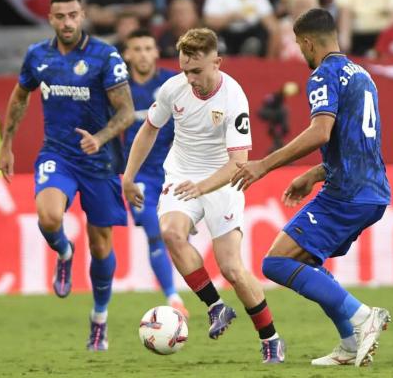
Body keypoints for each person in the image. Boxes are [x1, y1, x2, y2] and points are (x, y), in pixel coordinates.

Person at [231, 9, 391, 367]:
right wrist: (315, 173)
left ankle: (363, 316)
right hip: (371, 189)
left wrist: (263, 165)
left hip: (346, 193)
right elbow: (358, 141)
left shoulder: (324, 74)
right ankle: (350, 344)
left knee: (276, 262)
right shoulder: (363, 75)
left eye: (298, 45)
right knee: (307, 260)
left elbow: (320, 132)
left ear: (306, 42)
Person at [122, 28, 286, 364]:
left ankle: (271, 338)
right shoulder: (173, 89)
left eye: (196, 71)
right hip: (182, 175)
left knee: (232, 269)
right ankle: (216, 307)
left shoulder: (233, 98)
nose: (190, 78)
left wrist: (203, 187)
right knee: (169, 232)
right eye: (184, 70)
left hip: (223, 182)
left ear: (217, 63)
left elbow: (238, 163)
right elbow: (149, 129)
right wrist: (128, 175)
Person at [0, 0, 135, 351]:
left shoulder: (105, 56)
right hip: (57, 154)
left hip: (100, 162)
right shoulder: (37, 56)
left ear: (83, 14)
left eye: (73, 15)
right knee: (48, 216)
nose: (68, 22)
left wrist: (101, 138)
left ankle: (99, 319)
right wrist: (6, 143)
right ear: (50, 18)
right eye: (60, 16)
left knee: (101, 244)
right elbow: (20, 95)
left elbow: (125, 111)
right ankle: (63, 252)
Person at [121, 28, 188, 317]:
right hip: (138, 178)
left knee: (177, 234)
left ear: (156, 52)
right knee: (155, 231)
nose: (143, 54)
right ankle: (173, 297)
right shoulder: (117, 88)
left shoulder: (171, 84)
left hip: (173, 173)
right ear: (127, 54)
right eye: (137, 49)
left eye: (148, 48)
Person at [203, 0, 279, 57]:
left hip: (249, 34)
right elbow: (209, 21)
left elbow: (272, 26)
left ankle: (249, 56)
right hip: (225, 33)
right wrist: (231, 17)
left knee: (257, 39)